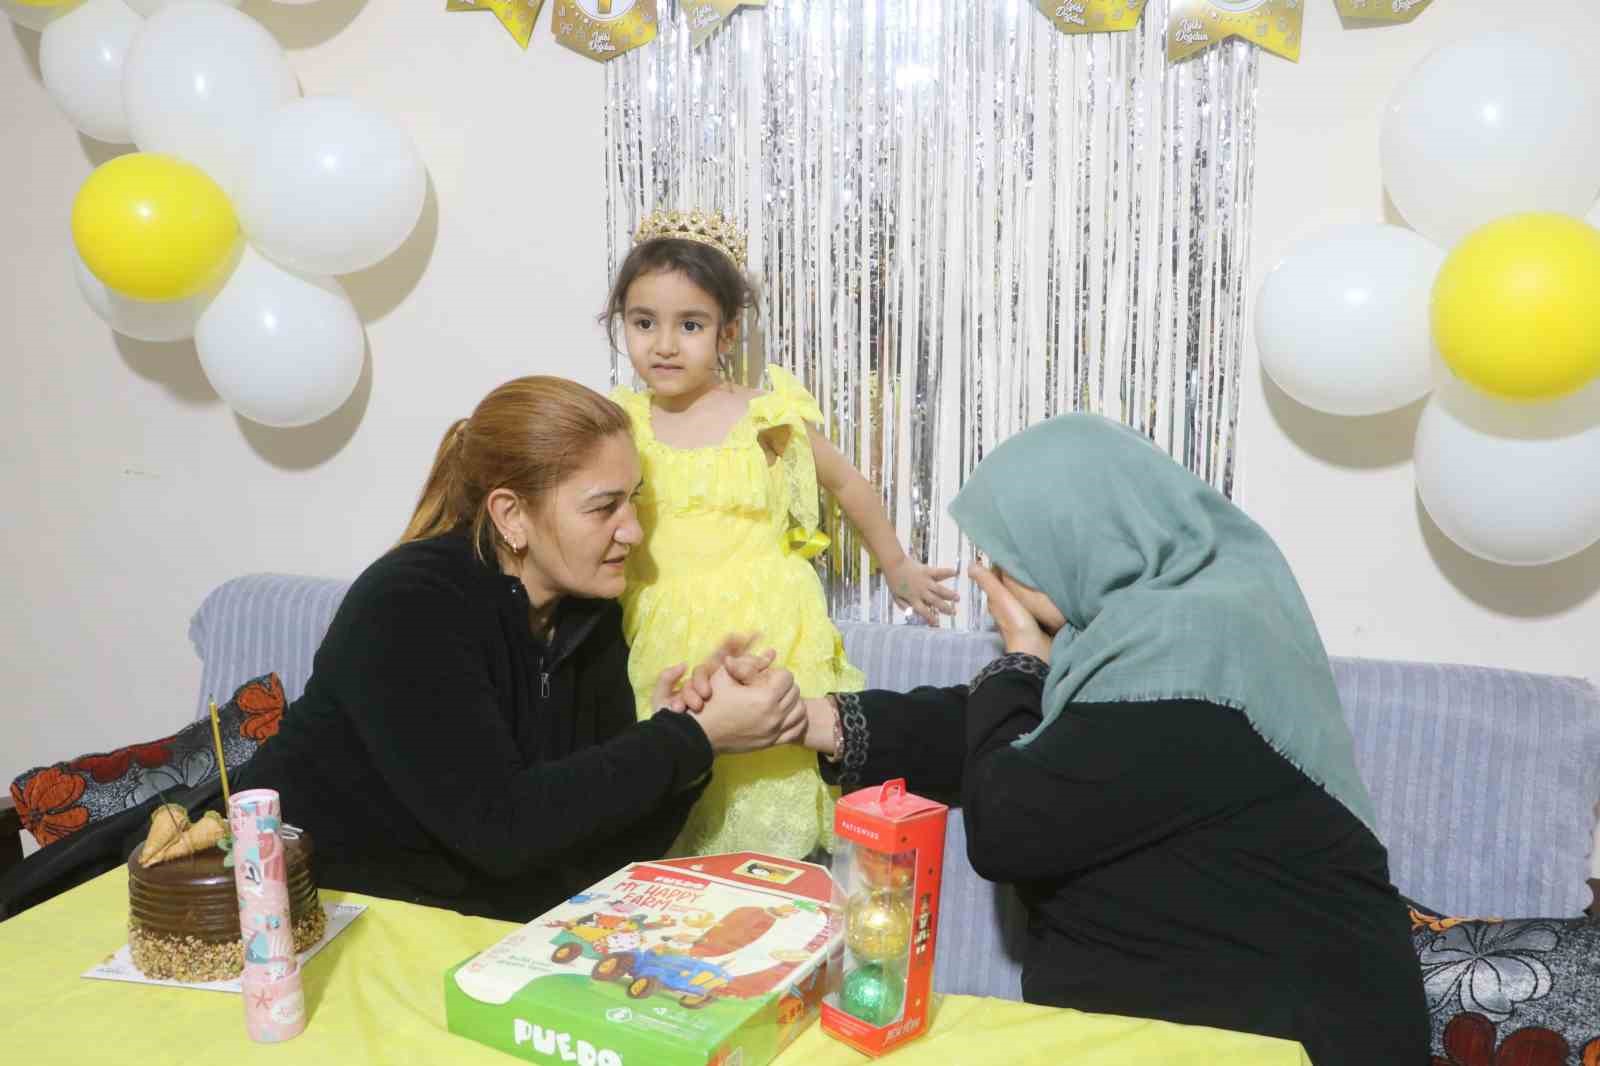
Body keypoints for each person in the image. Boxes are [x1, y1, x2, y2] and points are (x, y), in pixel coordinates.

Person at [690, 414, 1428, 1064]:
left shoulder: (1193, 653)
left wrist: (1015, 658)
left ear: (1083, 530)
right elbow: (1018, 735)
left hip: (1286, 1036)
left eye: (1011, 553)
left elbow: (1010, 823)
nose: (995, 575)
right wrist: (799, 716)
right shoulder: (1143, 629)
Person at [233, 377, 807, 921]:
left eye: (632, 501)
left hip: (460, 927)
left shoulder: (589, 613)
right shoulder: (409, 603)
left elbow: (600, 857)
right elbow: (500, 830)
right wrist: (687, 740)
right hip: (310, 917)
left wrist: (685, 733)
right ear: (512, 516)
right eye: (603, 507)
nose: (633, 531)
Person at [600, 208, 958, 860]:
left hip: (767, 628)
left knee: (770, 779)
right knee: (678, 789)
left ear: (728, 332)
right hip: (664, 633)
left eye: (691, 325)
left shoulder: (762, 417)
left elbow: (847, 484)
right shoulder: (621, 423)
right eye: (643, 322)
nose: (665, 344)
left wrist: (897, 565)